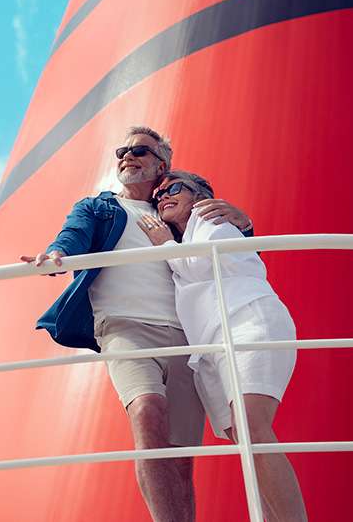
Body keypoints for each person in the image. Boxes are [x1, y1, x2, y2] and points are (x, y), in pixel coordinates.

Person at [21, 127, 253, 522]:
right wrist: (59, 252)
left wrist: (245, 224)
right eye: (122, 151)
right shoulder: (101, 207)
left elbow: (227, 251)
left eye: (139, 151)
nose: (127, 156)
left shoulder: (176, 211)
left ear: (161, 164)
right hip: (125, 327)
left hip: (184, 334)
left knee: (181, 456)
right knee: (146, 410)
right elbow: (74, 233)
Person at [137, 170, 307, 522]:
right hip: (214, 343)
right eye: (158, 196)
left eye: (175, 189)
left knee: (252, 428)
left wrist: (163, 244)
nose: (163, 197)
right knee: (243, 438)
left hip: (246, 320)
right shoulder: (184, 240)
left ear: (199, 195)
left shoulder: (211, 218)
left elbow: (202, 264)